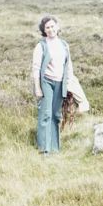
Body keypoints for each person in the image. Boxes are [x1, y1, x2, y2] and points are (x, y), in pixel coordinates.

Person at [32, 15, 74, 154]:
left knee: (56, 115)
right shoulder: (41, 46)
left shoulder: (64, 45)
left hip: (60, 83)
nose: (50, 29)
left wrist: (68, 85)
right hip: (46, 82)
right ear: (44, 30)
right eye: (47, 27)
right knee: (46, 114)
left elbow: (68, 66)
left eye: (52, 26)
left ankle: (55, 148)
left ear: (57, 27)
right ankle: (44, 149)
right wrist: (38, 88)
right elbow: (36, 68)